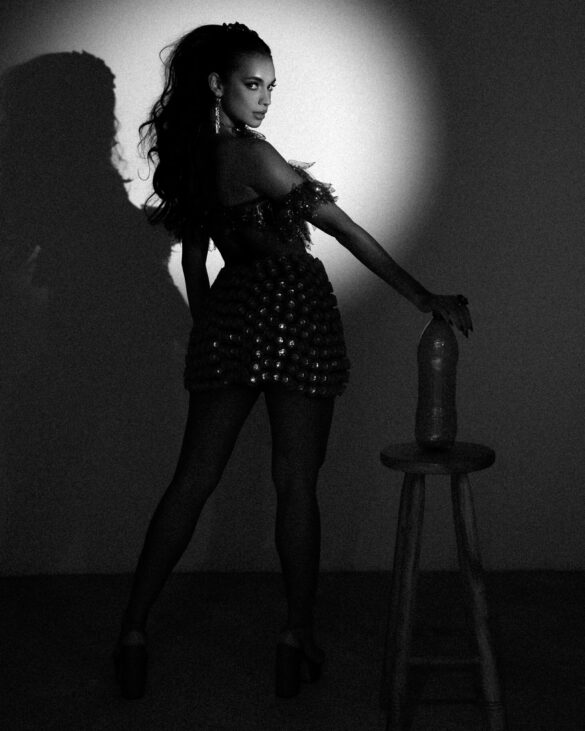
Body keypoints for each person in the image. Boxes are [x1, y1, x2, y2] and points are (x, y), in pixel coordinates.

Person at [115, 22, 473, 701]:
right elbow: (341, 227)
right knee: (295, 482)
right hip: (293, 308)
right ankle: (295, 636)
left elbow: (195, 261)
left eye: (271, 87)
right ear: (216, 85)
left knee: (192, 479)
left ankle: (132, 631)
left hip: (231, 310)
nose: (264, 99)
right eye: (252, 84)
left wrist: (210, 330)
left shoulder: (187, 161)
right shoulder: (252, 156)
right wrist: (420, 294)